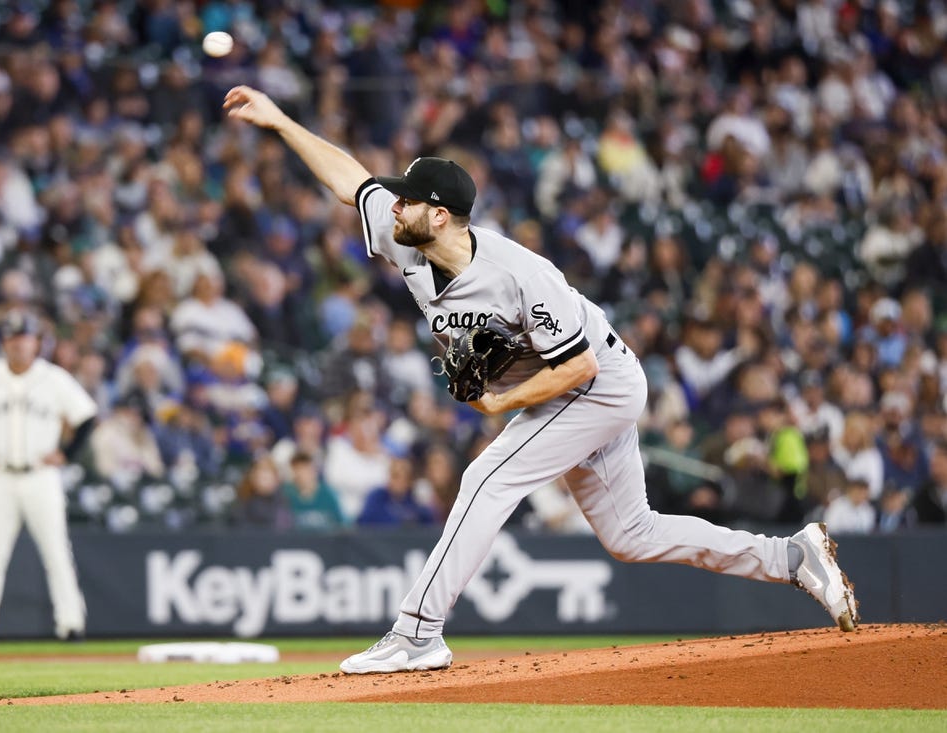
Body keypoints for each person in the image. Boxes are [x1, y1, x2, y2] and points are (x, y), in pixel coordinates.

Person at [223, 85, 859, 675]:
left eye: (410, 200)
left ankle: (418, 631)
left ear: (440, 216)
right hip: (569, 388)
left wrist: (502, 401)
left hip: (598, 382)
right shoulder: (408, 242)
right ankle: (790, 558)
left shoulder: (520, 273)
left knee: (488, 476)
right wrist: (279, 121)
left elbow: (578, 366)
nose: (397, 205)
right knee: (631, 535)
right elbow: (351, 181)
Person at [0, 311, 98, 643]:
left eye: (25, 338)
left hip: (40, 475)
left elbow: (87, 417)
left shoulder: (53, 377)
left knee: (57, 551)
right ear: (4, 343)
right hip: (0, 476)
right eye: (13, 338)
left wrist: (67, 455)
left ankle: (71, 624)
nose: (19, 344)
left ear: (36, 343)